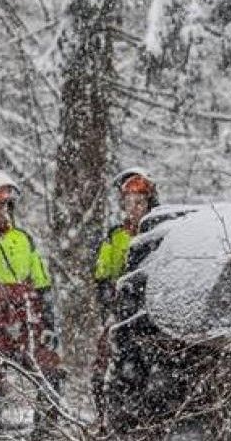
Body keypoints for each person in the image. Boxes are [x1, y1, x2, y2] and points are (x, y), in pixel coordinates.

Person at [0, 170, 60, 435]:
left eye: (6, 204)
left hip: (24, 324)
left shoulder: (23, 239)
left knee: (50, 370)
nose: (1, 210)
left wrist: (49, 323)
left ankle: (45, 431)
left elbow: (41, 283)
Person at [91, 169, 159, 429]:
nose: (134, 209)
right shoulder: (116, 236)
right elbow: (102, 274)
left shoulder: (159, 232)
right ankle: (106, 420)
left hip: (151, 313)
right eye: (128, 203)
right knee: (102, 369)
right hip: (122, 313)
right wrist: (111, 299)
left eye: (140, 202)